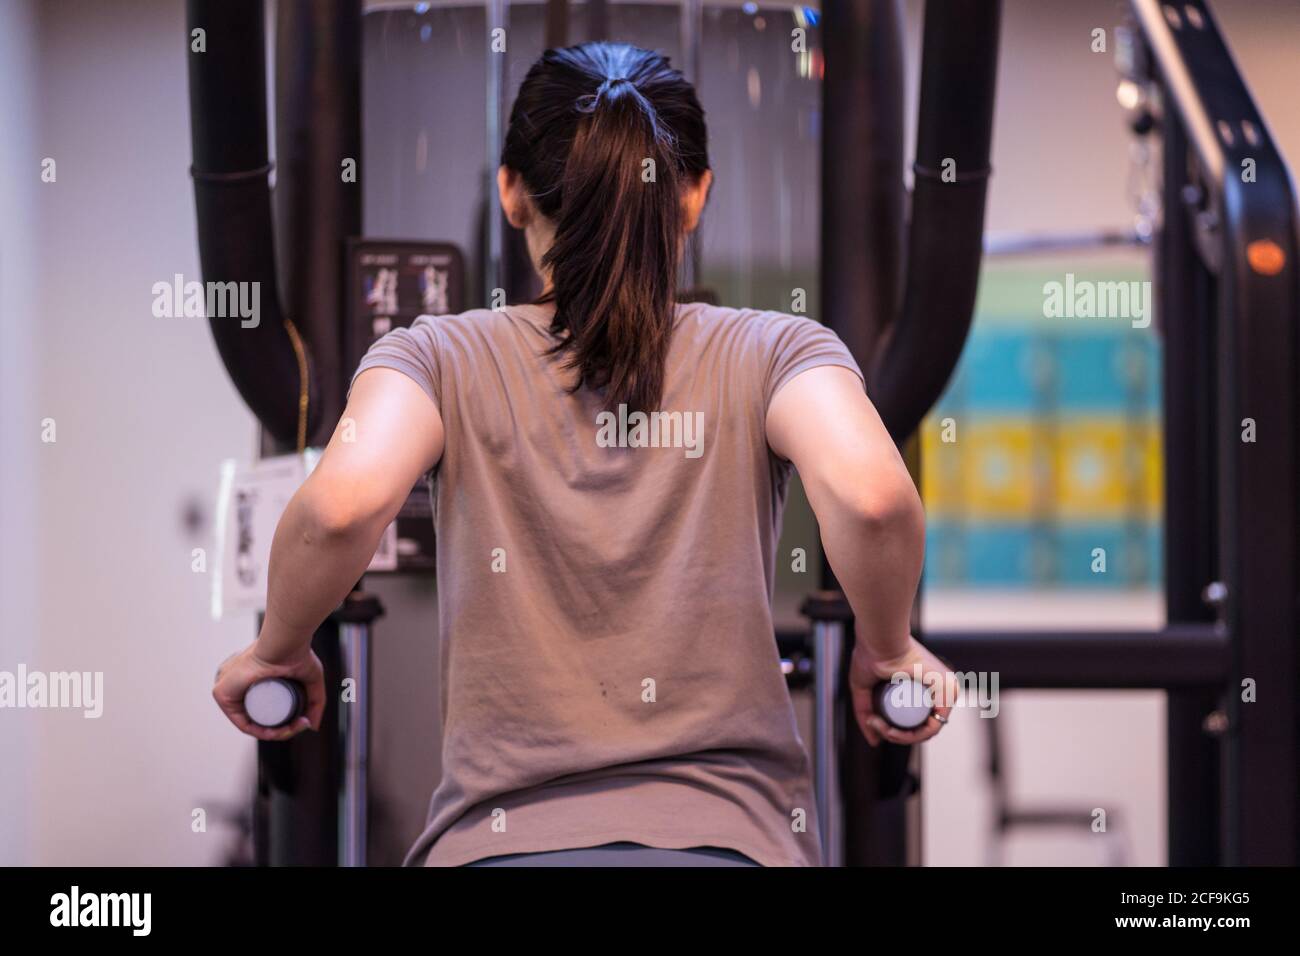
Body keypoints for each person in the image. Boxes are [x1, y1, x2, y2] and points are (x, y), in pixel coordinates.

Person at [212, 41, 954, 868]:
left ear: (511, 193)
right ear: (696, 197)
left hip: (495, 848)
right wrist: (888, 648)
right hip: (730, 845)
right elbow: (875, 500)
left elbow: (338, 508)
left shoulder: (437, 355)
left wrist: (278, 649)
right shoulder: (774, 349)